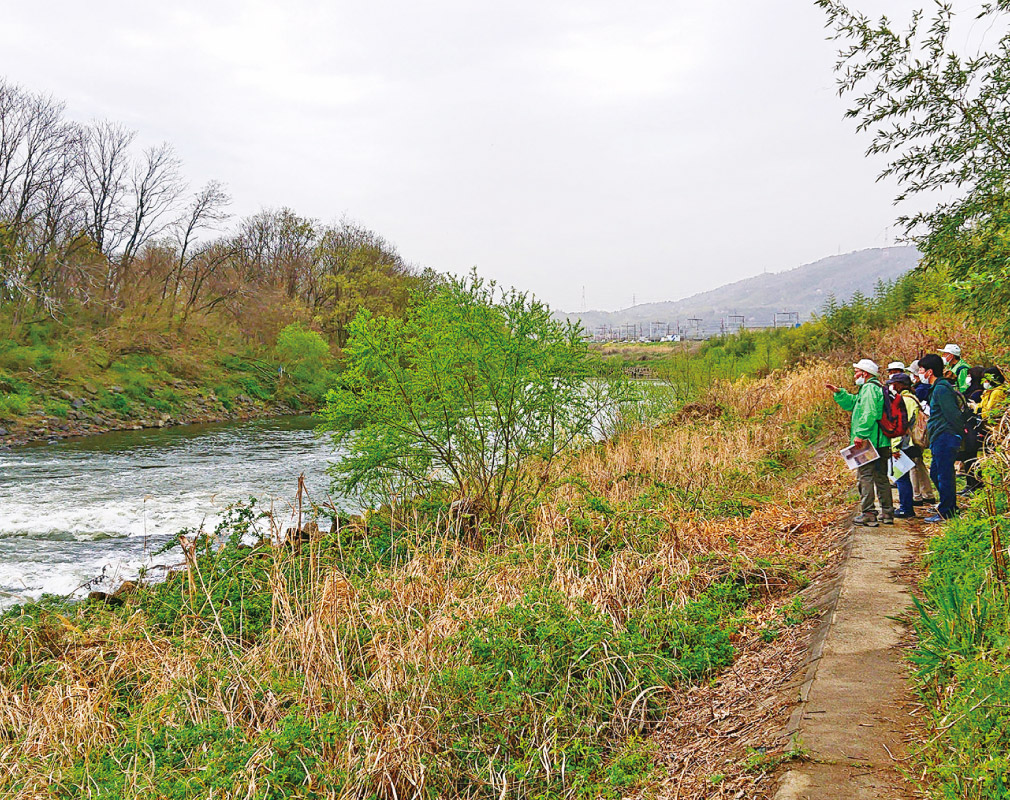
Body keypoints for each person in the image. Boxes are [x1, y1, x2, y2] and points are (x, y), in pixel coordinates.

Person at [827, 359, 894, 526]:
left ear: (865, 373)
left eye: (857, 371)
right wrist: (840, 393)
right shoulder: (871, 388)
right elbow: (854, 404)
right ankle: (887, 513)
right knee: (881, 478)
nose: (855, 375)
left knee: (865, 477)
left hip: (869, 443)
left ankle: (869, 513)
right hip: (881, 441)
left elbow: (869, 413)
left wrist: (861, 434)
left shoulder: (869, 389)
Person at [918, 353, 963, 521]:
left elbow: (953, 414)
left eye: (921, 370)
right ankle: (948, 505)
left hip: (945, 436)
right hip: (939, 436)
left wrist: (957, 434)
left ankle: (947, 512)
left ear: (929, 372)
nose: (920, 373)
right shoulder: (936, 388)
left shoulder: (942, 389)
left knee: (944, 475)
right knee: (937, 473)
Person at [887, 372, 922, 518]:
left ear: (901, 385)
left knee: (901, 476)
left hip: (904, 444)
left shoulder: (905, 400)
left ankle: (906, 508)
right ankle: (906, 506)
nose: (892, 386)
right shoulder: (912, 398)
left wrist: (894, 447)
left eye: (894, 383)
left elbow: (901, 425)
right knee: (903, 476)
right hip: (909, 443)